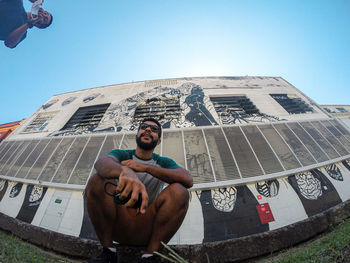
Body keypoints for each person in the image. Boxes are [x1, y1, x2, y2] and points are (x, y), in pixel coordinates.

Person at [86, 118, 193, 263]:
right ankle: (108, 252)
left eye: (154, 129)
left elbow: (187, 179)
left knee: (180, 191)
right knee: (97, 179)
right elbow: (101, 163)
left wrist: (145, 168)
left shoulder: (163, 162)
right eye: (144, 127)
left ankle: (150, 255)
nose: (148, 130)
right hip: (117, 224)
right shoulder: (122, 155)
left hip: (147, 227)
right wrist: (125, 171)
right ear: (136, 134)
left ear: (159, 141)